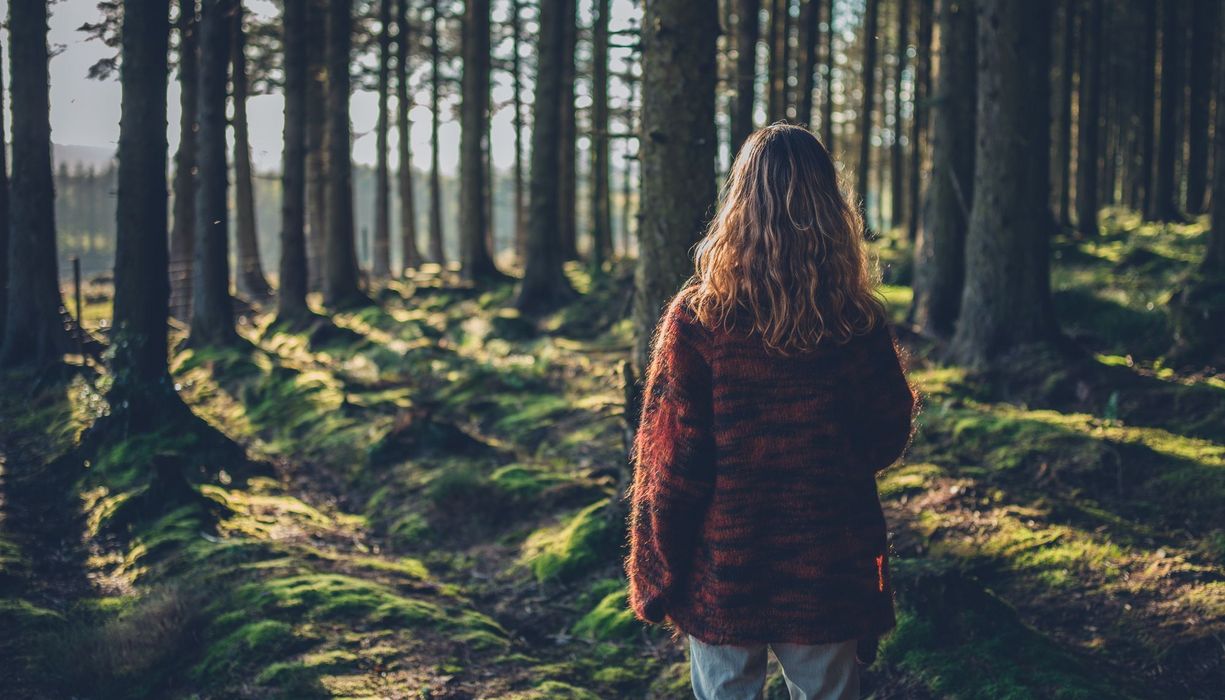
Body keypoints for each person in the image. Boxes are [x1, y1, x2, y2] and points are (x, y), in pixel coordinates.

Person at [623, 123, 918, 700]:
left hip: (724, 570)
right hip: (828, 563)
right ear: (832, 208)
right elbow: (886, 432)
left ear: (738, 203)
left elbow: (670, 464)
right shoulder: (855, 320)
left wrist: (657, 567)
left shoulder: (699, 317)